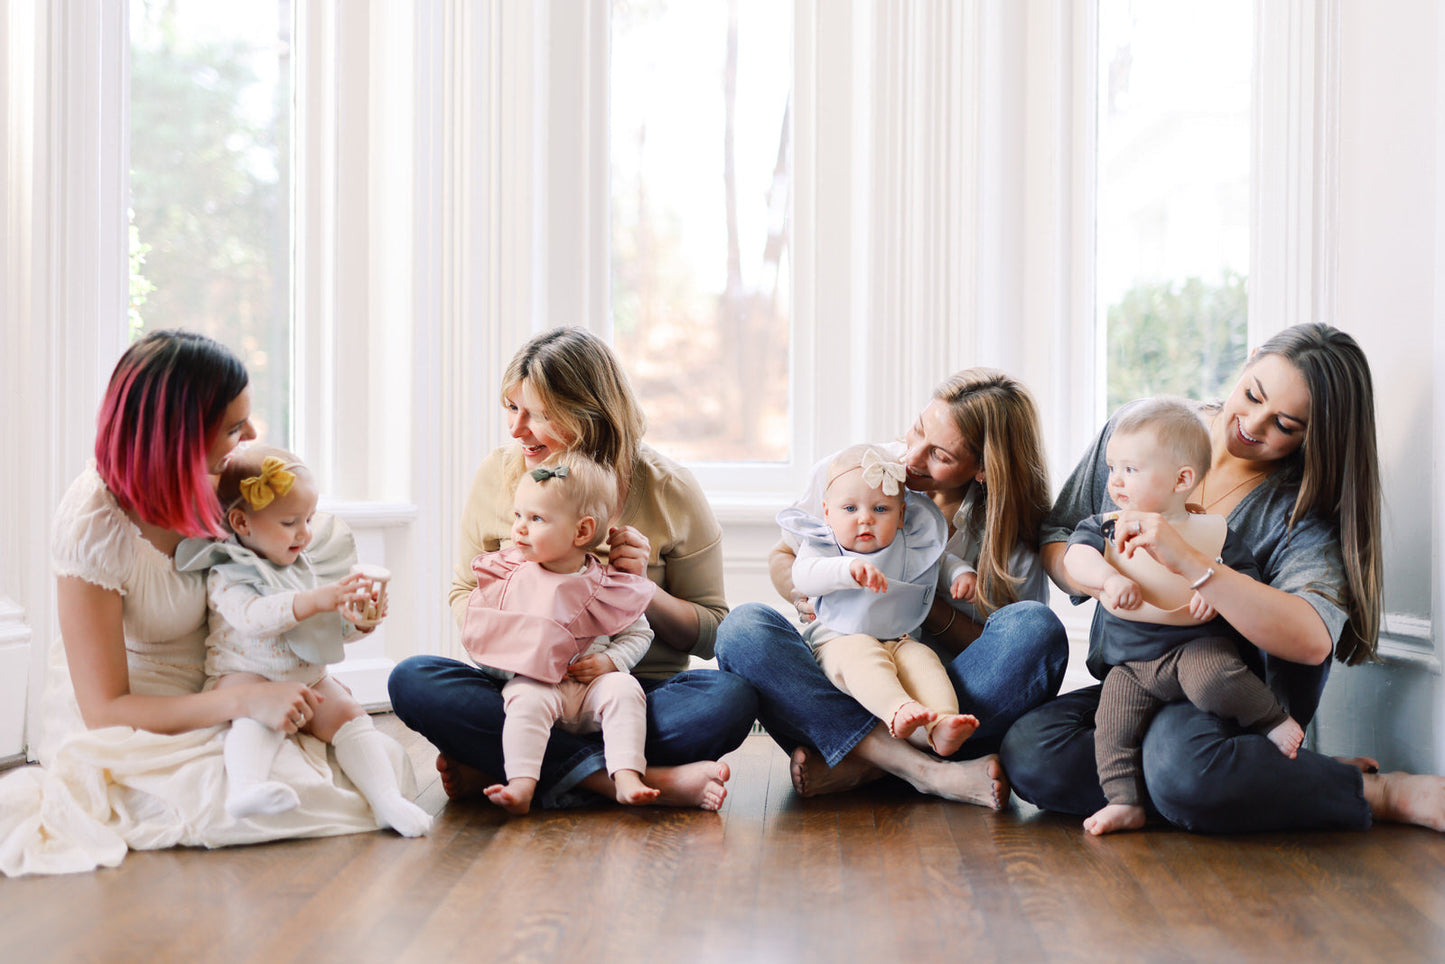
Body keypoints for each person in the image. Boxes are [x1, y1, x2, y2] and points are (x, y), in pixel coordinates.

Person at [0, 330, 416, 878]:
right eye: (231, 427)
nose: (247, 437)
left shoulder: (223, 483)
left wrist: (345, 619)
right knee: (239, 799)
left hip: (233, 667)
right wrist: (243, 704)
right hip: (141, 705)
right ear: (179, 439)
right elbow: (106, 708)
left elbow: (271, 590)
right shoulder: (93, 526)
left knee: (369, 762)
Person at [1001, 323, 1445, 834]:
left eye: (1286, 424)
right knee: (1032, 754)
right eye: (1253, 394)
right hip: (1132, 676)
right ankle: (1255, 780)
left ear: (1315, 435)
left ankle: (1376, 792)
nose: (1254, 424)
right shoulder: (1142, 434)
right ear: (1250, 359)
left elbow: (1310, 639)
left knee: (1184, 765)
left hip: (1224, 693)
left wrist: (1193, 564)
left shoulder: (1297, 509)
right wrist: (1099, 577)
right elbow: (1060, 532)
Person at [387, 327, 756, 810]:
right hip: (520, 683)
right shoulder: (499, 477)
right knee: (413, 679)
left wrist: (641, 588)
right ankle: (619, 780)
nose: (517, 430)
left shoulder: (670, 490)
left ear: (590, 415)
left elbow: (713, 633)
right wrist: (522, 609)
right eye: (512, 409)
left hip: (631, 690)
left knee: (730, 698)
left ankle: (516, 765)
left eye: (537, 415)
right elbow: (463, 590)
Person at [715, 368, 1069, 808]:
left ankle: (862, 763)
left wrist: (921, 603)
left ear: (982, 469)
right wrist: (811, 594)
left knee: (1037, 629)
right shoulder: (853, 471)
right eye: (918, 428)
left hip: (937, 697)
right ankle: (923, 773)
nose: (911, 457)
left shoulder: (1007, 536)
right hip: (839, 688)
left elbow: (1004, 646)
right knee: (742, 629)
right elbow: (782, 559)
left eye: (939, 453)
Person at [1060, 397, 1303, 836]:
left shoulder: (1213, 534)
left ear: (1182, 479)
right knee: (1111, 726)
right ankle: (1124, 800)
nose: (1114, 481)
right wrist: (1105, 580)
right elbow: (1075, 557)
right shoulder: (1108, 525)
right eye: (1113, 468)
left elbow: (1243, 583)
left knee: (1217, 678)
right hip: (1131, 665)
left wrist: (1215, 590)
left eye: (1130, 470)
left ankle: (1270, 718)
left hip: (1194, 650)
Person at [176, 445, 431, 836]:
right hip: (246, 675)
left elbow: (319, 625)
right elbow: (253, 617)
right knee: (253, 711)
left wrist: (355, 622)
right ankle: (247, 787)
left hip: (307, 676)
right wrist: (315, 600)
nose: (305, 533)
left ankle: (385, 799)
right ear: (242, 523)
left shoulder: (301, 565)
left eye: (309, 519)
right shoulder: (229, 571)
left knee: (349, 712)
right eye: (290, 522)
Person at [462, 456, 717, 814]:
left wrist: (611, 661)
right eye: (518, 515)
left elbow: (638, 633)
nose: (518, 529)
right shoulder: (509, 578)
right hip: (535, 684)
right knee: (519, 701)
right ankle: (521, 784)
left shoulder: (607, 584)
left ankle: (627, 775)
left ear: (582, 532)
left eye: (536, 519)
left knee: (626, 689)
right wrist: (512, 670)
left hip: (592, 690)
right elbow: (484, 637)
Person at [780, 443, 979, 756]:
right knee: (862, 657)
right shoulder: (824, 543)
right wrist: (847, 569)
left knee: (924, 662)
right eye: (850, 509)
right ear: (827, 512)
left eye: (880, 509)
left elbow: (939, 563)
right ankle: (897, 709)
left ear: (901, 516)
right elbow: (804, 575)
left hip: (899, 637)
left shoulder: (908, 542)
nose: (865, 519)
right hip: (839, 640)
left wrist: (962, 575)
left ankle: (942, 723)